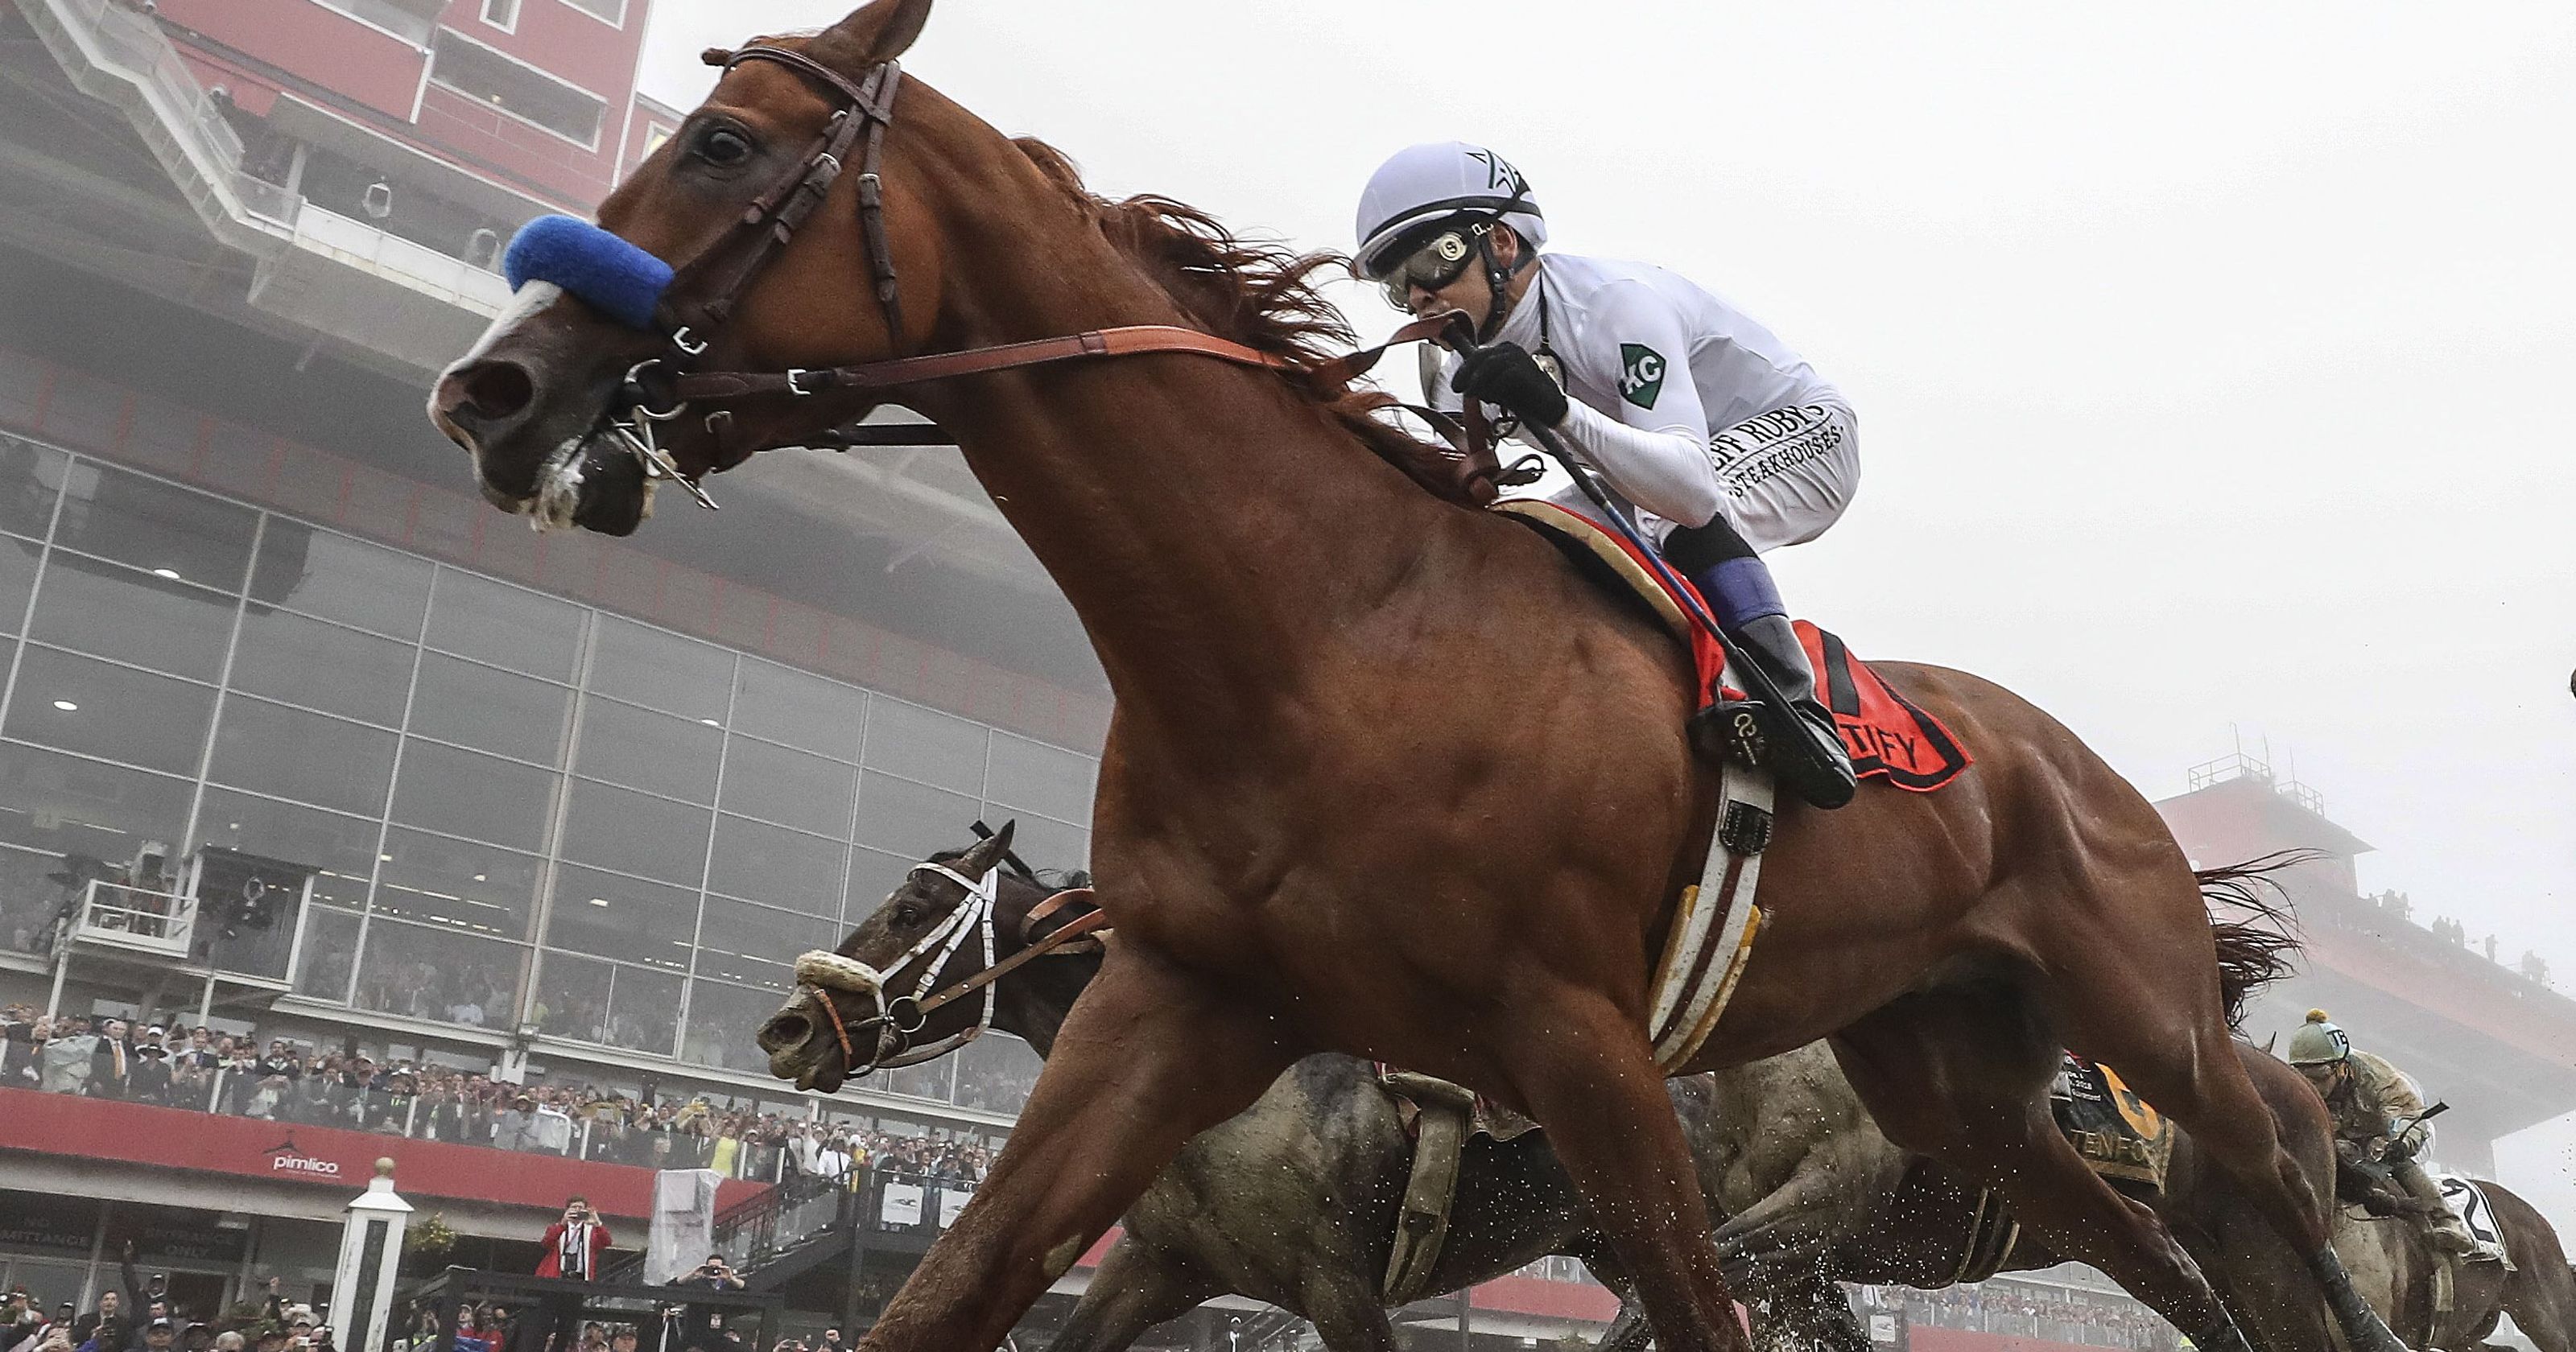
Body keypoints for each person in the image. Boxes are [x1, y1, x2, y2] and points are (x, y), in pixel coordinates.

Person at [1354, 141, 1860, 808]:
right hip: (1661, 469)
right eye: (1397, 283)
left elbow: (1689, 487)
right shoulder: (1456, 374)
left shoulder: (1616, 305)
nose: (1418, 293)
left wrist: (1555, 411)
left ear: (1501, 243)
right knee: (1531, 545)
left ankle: (1797, 712)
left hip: (1804, 432)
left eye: (1432, 259)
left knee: (1660, 513)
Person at [2287, 1009, 2483, 1258]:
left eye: (2319, 1077)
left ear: (2341, 1067)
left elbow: (2408, 1117)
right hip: (2350, 1136)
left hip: (2407, 1128)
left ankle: (2447, 1220)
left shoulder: (2377, 1078)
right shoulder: (2309, 1084)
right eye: (2303, 1077)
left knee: (2388, 1154)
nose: (2312, 1087)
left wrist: (2400, 1144)